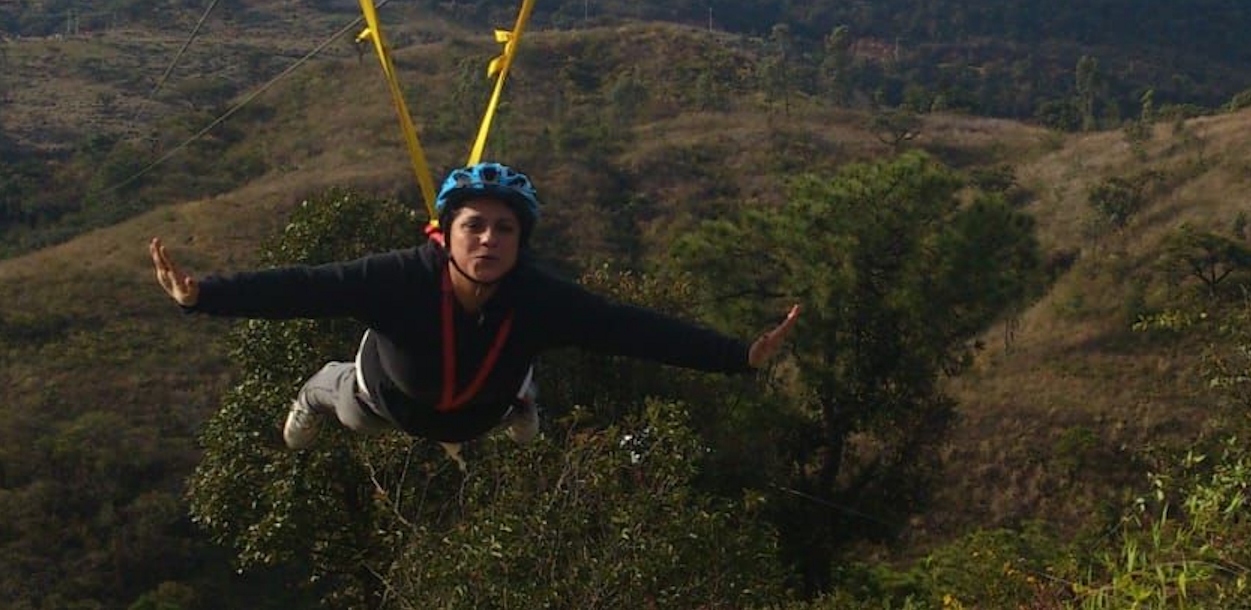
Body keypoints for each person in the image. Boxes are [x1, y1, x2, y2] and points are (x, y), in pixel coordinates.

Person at [150, 162, 800, 462]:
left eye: (504, 229)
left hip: (481, 411)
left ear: (521, 242)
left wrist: (737, 356)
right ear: (445, 234)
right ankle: (313, 391)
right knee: (341, 403)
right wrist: (206, 295)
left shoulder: (539, 298)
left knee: (517, 370)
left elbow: (632, 329)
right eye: (474, 227)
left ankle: (522, 394)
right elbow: (305, 288)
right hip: (386, 402)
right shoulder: (400, 279)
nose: (488, 240)